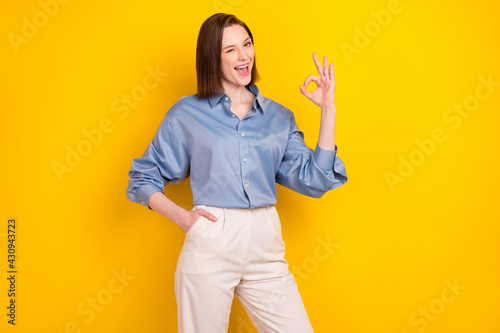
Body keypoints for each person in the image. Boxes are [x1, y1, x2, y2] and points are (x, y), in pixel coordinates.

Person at [126, 12, 347, 333]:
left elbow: (315, 179)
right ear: (211, 59)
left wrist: (328, 109)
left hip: (265, 241)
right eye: (230, 50)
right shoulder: (187, 113)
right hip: (212, 239)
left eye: (247, 44)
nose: (243, 55)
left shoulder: (278, 117)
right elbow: (143, 177)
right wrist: (185, 219)